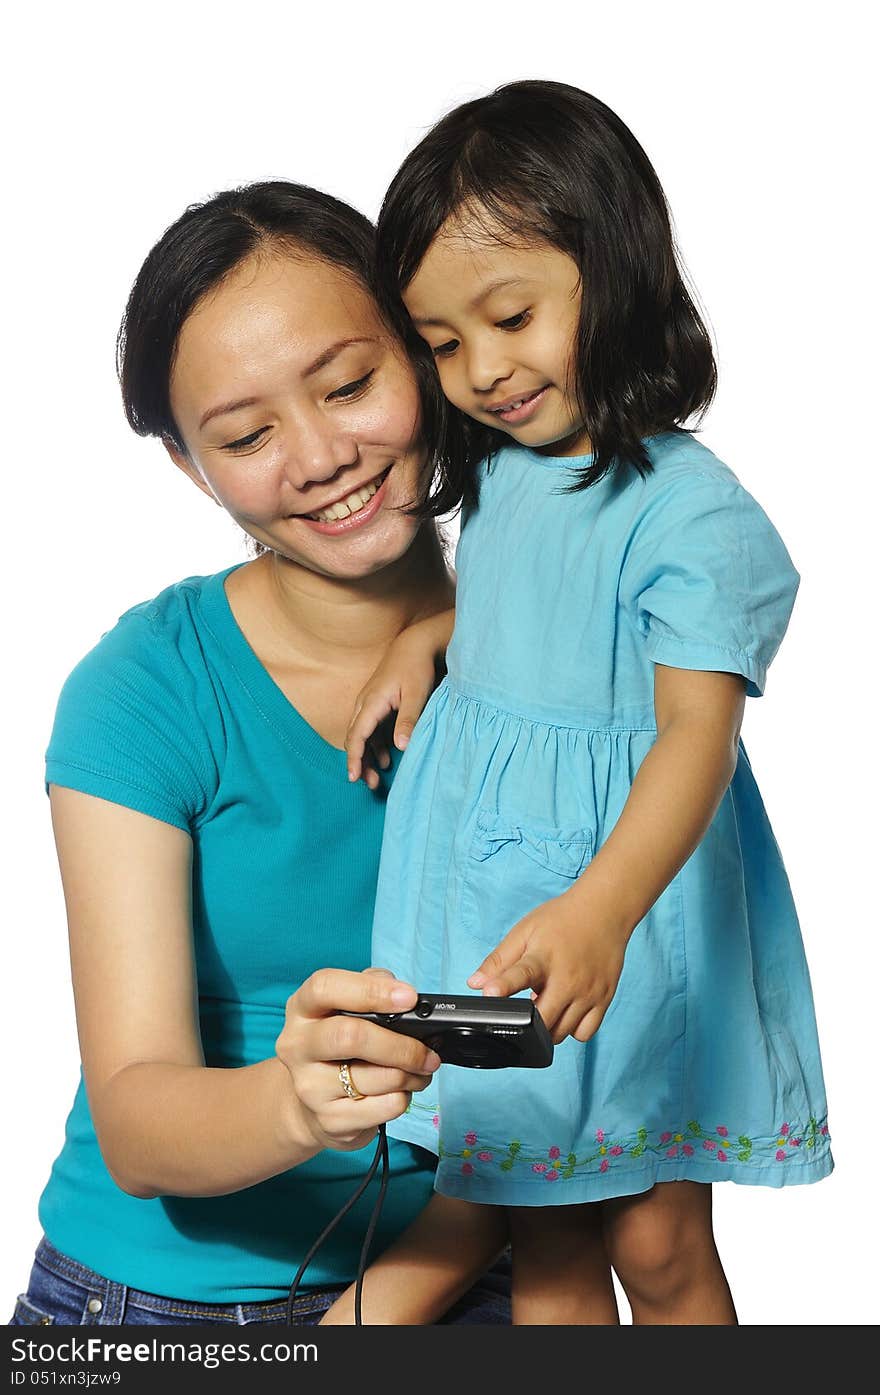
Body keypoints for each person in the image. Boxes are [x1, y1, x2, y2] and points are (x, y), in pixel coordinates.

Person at [324, 81, 833, 1326]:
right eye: (442, 343)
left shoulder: (689, 511)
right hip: (496, 909)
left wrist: (602, 908)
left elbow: (696, 735)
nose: (483, 371)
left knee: (655, 1241)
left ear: (611, 271)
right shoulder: (504, 470)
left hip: (621, 916)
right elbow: (532, 610)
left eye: (510, 317)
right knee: (545, 1238)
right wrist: (435, 636)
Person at [9, 181, 511, 1327]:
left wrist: (373, 1318)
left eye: (348, 385)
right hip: (147, 1306)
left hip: (478, 1271)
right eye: (245, 436)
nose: (321, 455)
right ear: (192, 468)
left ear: (425, 357)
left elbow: (607, 1070)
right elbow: (137, 1116)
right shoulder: (145, 687)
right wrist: (299, 1103)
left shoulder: (568, 658)